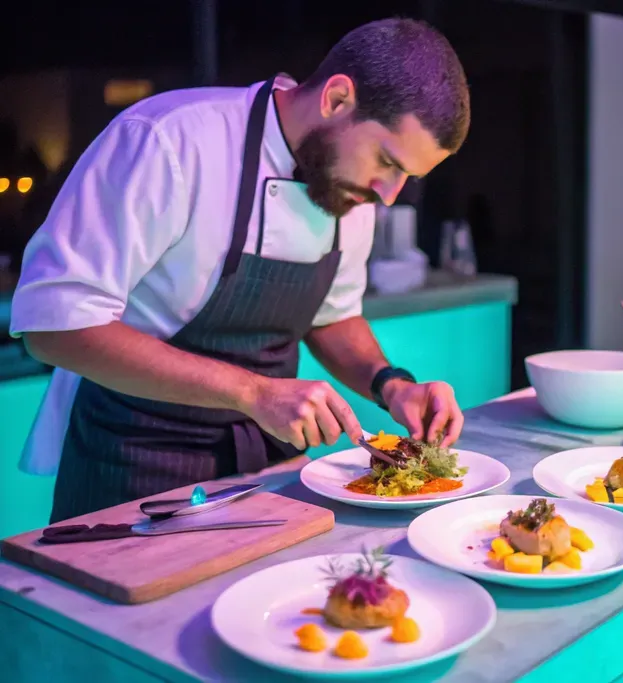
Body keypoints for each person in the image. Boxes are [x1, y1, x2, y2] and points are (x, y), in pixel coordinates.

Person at [9, 18, 471, 523]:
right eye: (387, 161)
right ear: (337, 99)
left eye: (409, 176)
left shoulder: (351, 190)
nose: (388, 195)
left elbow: (332, 316)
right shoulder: (170, 141)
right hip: (131, 468)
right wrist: (253, 392)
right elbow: (54, 327)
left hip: (267, 479)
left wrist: (392, 385)